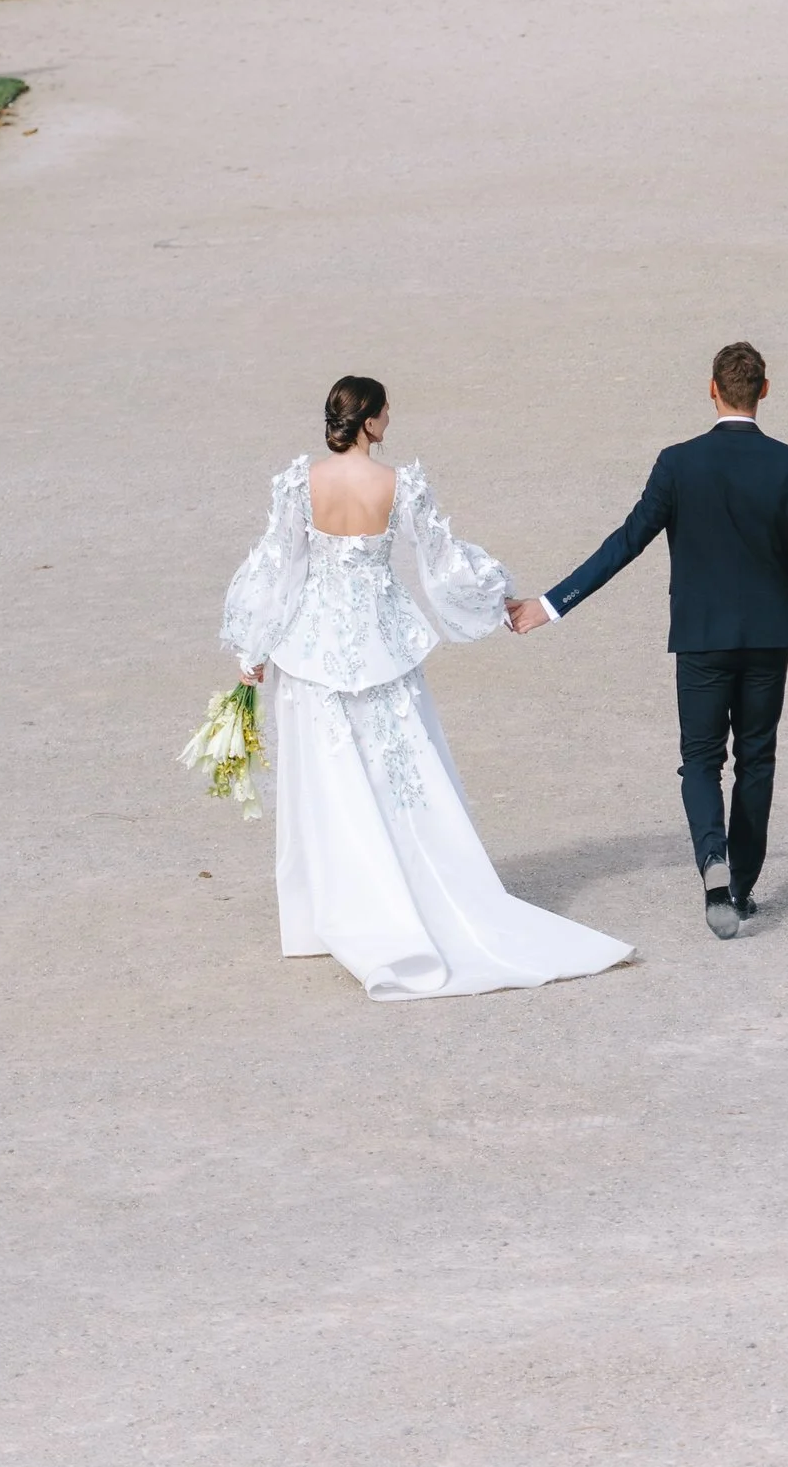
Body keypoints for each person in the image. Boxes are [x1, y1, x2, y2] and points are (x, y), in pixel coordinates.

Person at [222, 374, 631, 1002]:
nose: (393, 419)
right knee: (399, 775)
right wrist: (502, 602)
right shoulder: (400, 485)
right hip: (382, 646)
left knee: (326, 783)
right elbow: (443, 564)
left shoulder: (298, 482)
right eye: (388, 411)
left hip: (311, 651)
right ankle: (410, 897)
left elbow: (279, 565)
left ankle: (328, 915)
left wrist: (253, 649)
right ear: (371, 422)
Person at [510, 341, 788, 941]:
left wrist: (550, 605)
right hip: (766, 639)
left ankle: (714, 863)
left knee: (702, 760)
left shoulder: (678, 464)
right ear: (764, 390)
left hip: (700, 640)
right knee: (756, 759)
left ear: (712, 389)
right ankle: (743, 887)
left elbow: (626, 542)